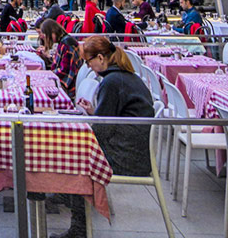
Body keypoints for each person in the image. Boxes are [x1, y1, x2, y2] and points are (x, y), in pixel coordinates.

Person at [55, 36, 154, 238]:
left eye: (89, 62)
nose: (89, 67)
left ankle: (78, 228)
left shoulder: (111, 82)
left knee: (78, 159)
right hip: (135, 149)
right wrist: (94, 114)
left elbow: (102, 131)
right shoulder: (125, 76)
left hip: (128, 157)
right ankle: (67, 195)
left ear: (100, 58)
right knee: (77, 152)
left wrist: (86, 125)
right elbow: (112, 119)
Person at [35, 19, 81, 99]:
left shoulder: (67, 45)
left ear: (51, 33)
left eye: (46, 35)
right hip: (67, 82)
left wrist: (46, 75)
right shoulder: (65, 41)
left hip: (68, 88)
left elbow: (64, 71)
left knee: (39, 91)